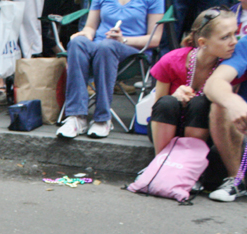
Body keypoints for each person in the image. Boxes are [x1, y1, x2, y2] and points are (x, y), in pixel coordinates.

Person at [55, 0, 164, 140]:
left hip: (131, 50)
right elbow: (90, 27)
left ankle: (102, 119)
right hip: (99, 45)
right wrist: (85, 35)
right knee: (77, 43)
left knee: (107, 47)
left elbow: (155, 39)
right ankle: (76, 117)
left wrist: (122, 39)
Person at [149, 8, 238, 156]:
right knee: (167, 102)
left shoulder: (232, 67)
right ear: (203, 42)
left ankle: (190, 162)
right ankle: (160, 164)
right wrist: (176, 97)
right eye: (225, 37)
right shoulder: (171, 60)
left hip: (207, 130)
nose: (234, 42)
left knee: (200, 103)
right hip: (167, 127)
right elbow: (157, 106)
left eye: (235, 34)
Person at [203, 10, 247, 202]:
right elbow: (214, 83)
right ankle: (238, 179)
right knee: (220, 105)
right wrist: (233, 102)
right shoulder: (245, 45)